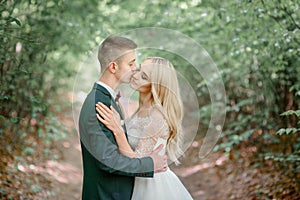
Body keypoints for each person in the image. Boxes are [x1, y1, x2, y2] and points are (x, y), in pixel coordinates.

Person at [79, 36, 168, 200]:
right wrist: (150, 164)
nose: (135, 69)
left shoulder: (108, 100)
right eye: (131, 63)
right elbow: (107, 160)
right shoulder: (98, 104)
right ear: (113, 66)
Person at [96, 57, 193, 199]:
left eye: (144, 76)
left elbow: (139, 164)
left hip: (152, 187)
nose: (135, 75)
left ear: (155, 86)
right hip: (137, 184)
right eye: (139, 69)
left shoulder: (157, 117)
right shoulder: (142, 109)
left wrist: (117, 129)